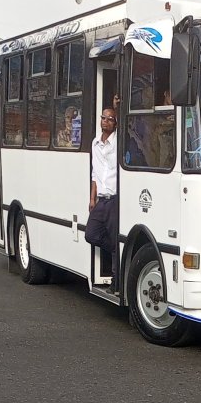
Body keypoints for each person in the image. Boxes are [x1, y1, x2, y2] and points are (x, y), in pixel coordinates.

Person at [85, 107, 119, 295]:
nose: (105, 121)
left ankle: (116, 281)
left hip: (115, 200)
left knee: (114, 236)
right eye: (103, 118)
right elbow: (94, 173)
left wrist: (118, 106)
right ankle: (116, 249)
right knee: (91, 234)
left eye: (110, 119)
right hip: (101, 200)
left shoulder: (118, 142)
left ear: (115, 123)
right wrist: (92, 198)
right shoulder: (95, 143)